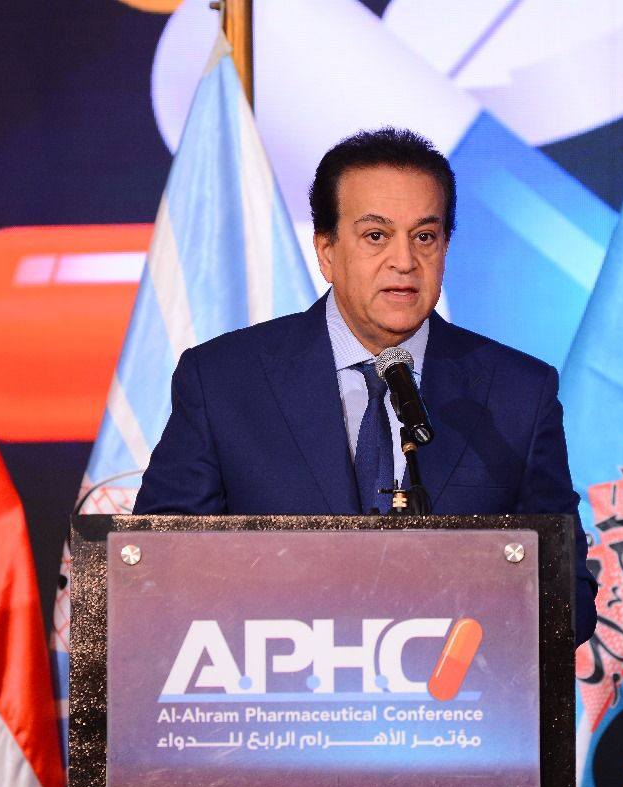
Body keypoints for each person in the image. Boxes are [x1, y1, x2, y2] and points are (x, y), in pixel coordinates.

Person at [134, 128, 596, 645]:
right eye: (376, 236)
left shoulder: (517, 393)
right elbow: (157, 572)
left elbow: (569, 599)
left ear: (446, 247)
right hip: (275, 688)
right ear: (327, 251)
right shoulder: (224, 382)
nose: (405, 261)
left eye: (425, 237)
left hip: (453, 690)